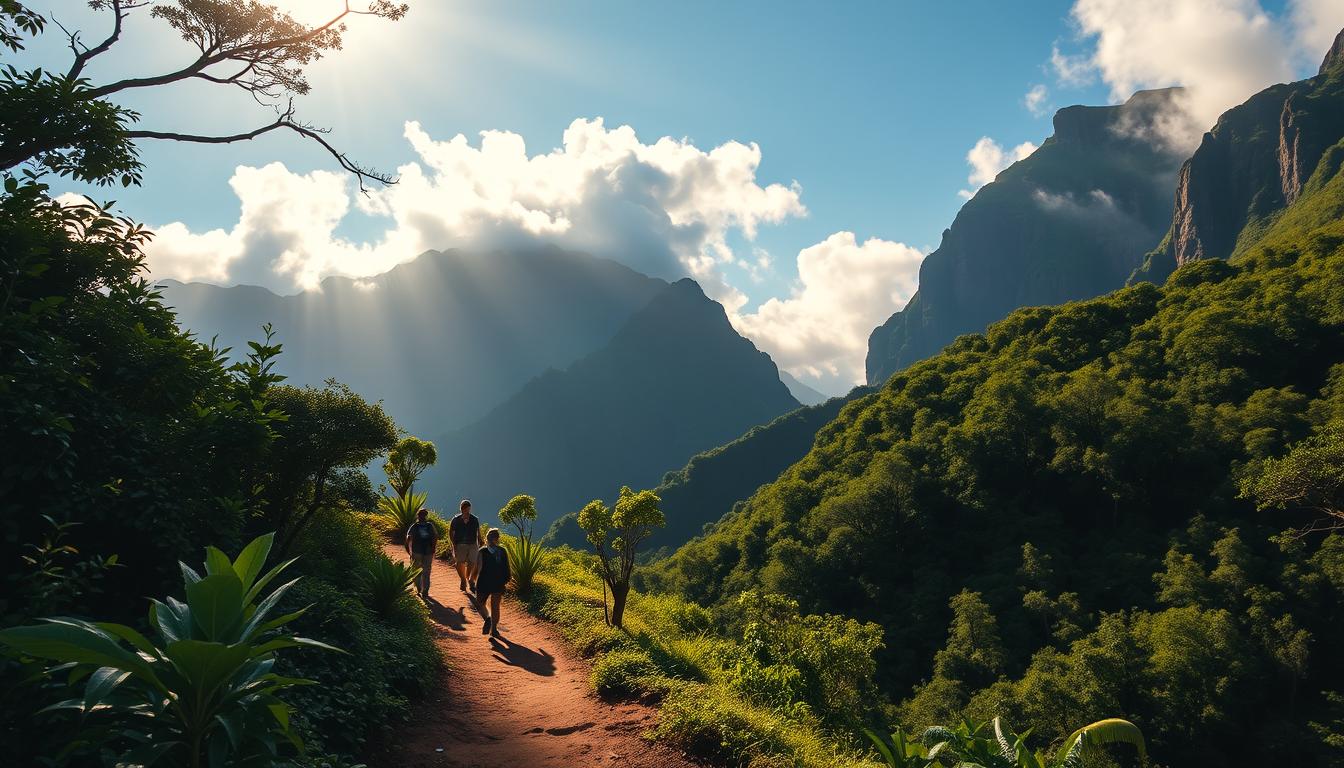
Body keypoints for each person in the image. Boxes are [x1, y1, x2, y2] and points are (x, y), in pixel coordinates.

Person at [475, 528, 510, 636]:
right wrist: (506, 580)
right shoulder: (502, 551)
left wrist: (472, 580)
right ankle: (494, 629)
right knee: (495, 606)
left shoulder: (482, 551)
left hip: (483, 582)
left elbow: (478, 568)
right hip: (498, 582)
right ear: (497, 539)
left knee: (480, 604)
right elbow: (506, 568)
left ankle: (487, 618)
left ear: (487, 538)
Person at [448, 499, 482, 591]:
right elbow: (451, 533)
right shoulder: (456, 520)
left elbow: (478, 532)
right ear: (461, 508)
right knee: (459, 563)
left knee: (473, 562)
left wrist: (480, 541)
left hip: (472, 544)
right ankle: (463, 579)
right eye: (465, 508)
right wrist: (453, 544)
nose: (467, 510)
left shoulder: (474, 519)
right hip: (460, 544)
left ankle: (469, 579)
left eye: (468, 508)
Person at [404, 507, 438, 598]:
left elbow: (408, 539)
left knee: (416, 571)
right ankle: (425, 591)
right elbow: (435, 537)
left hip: (416, 552)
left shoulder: (414, 526)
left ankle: (418, 588)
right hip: (428, 551)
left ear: (418, 516)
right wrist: (433, 549)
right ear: (426, 516)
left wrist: (409, 551)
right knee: (426, 572)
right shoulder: (430, 526)